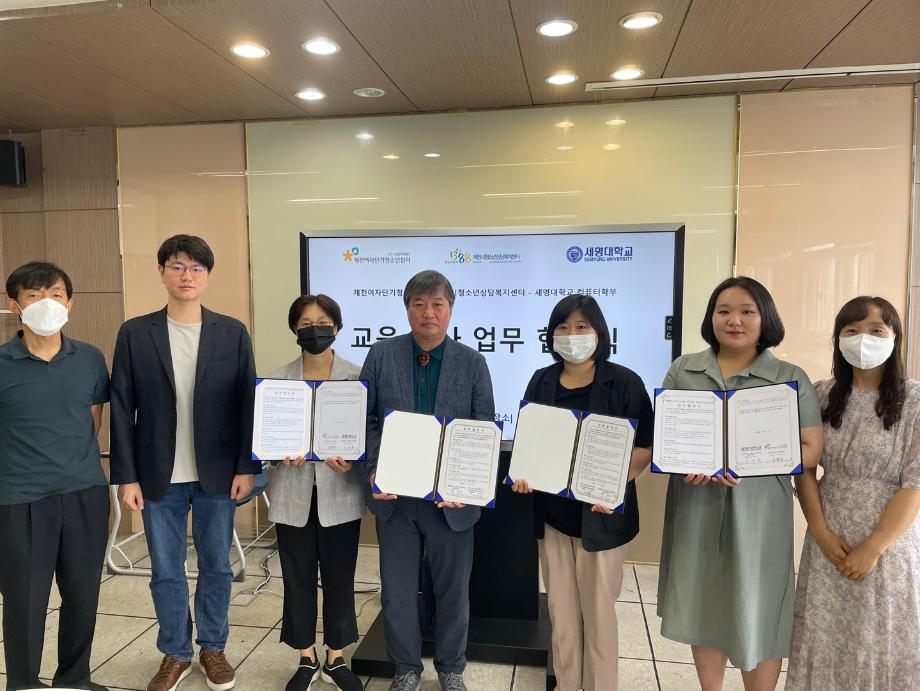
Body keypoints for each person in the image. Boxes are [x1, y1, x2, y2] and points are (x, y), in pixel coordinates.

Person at [656, 276, 823, 691]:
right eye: (724, 311)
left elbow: (810, 449)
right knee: (702, 600)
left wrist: (753, 462)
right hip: (697, 506)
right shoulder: (684, 370)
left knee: (760, 606)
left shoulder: (788, 377)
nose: (734, 320)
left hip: (760, 512)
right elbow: (668, 439)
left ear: (765, 318)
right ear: (711, 317)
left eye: (747, 311)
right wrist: (685, 463)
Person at [109, 235, 258, 691]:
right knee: (166, 570)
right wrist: (126, 476)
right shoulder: (136, 333)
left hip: (218, 473)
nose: (186, 276)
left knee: (217, 566)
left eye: (196, 268)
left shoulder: (231, 332)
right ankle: (175, 651)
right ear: (161, 272)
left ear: (208, 276)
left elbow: (247, 404)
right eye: (176, 266)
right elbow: (122, 407)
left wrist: (246, 466)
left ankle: (213, 647)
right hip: (158, 473)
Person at [509, 294, 654, 691]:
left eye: (581, 327)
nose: (571, 335)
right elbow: (530, 441)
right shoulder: (541, 379)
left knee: (599, 615)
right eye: (563, 327)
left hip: (601, 520)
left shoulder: (624, 382)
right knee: (562, 615)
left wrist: (615, 484)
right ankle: (567, 684)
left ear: (599, 333)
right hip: (553, 519)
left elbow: (645, 446)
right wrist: (523, 474)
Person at [361, 270, 494, 691]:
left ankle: (451, 668)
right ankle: (405, 669)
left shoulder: (472, 362)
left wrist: (465, 486)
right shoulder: (381, 355)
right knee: (397, 592)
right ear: (407, 310)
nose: (428, 313)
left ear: (450, 309)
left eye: (437, 304)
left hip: (450, 504)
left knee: (452, 590)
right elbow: (366, 420)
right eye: (419, 304)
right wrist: (374, 469)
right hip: (395, 499)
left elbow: (482, 427)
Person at [787, 296, 920, 690]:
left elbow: (915, 483)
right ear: (838, 339)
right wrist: (821, 532)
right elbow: (804, 467)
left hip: (890, 547)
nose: (864, 339)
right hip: (829, 538)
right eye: (852, 330)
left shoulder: (914, 401)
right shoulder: (820, 395)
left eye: (876, 330)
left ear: (894, 338)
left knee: (884, 639)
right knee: (825, 638)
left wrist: (873, 547)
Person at [0, 262, 111, 691]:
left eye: (56, 294)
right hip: (21, 499)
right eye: (34, 295)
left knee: (83, 596)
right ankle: (24, 685)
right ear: (15, 306)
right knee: (25, 602)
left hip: (84, 493)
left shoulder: (90, 358)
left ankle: (74, 680)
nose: (46, 303)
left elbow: (92, 422)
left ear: (70, 303)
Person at [267, 294, 364, 691]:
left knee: (341, 577)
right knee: (297, 578)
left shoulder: (358, 379)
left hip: (341, 493)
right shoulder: (276, 382)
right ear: (294, 329)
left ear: (337, 327)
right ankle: (306, 656)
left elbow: (367, 436)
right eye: (305, 324)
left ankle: (335, 657)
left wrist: (354, 461)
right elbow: (265, 443)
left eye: (323, 322)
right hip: (292, 495)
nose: (315, 330)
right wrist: (277, 456)